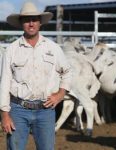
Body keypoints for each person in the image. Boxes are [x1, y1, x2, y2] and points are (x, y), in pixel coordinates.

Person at [0, 1, 72, 150]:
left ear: (40, 23)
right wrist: (4, 115)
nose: (31, 23)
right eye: (26, 20)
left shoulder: (53, 48)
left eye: (34, 19)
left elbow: (67, 72)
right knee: (15, 148)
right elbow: (4, 82)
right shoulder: (11, 50)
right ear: (21, 23)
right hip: (18, 109)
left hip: (45, 110)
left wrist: (60, 94)